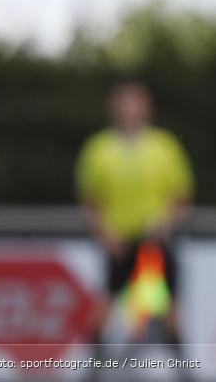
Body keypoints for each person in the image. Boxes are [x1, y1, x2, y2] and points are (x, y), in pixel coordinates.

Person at [75, 80, 194, 353]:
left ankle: (182, 368)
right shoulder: (99, 148)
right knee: (106, 303)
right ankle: (92, 366)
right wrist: (105, 235)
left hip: (154, 242)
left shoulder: (163, 146)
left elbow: (181, 196)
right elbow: (90, 201)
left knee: (167, 307)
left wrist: (165, 224)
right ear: (114, 108)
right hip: (119, 242)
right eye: (125, 104)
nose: (130, 110)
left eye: (136, 103)